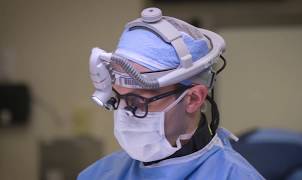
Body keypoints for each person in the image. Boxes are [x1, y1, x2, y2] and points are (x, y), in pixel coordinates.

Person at [78, 7, 265, 180]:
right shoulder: (99, 174)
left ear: (193, 98)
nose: (125, 115)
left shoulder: (234, 175)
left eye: (138, 101)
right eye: (118, 99)